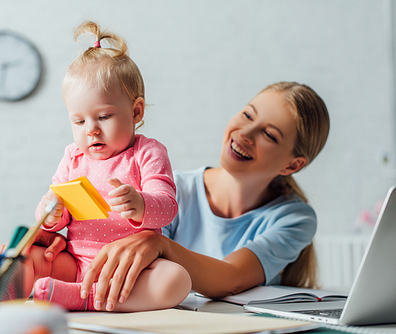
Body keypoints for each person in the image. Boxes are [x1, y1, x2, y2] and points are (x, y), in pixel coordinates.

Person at [32, 81, 330, 312]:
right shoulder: (174, 189)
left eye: (270, 135)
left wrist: (161, 245)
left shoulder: (294, 217)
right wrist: (62, 239)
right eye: (247, 115)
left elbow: (233, 279)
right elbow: (118, 248)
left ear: (292, 165)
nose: (245, 133)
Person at [22, 21, 191, 313]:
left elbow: (168, 207)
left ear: (136, 111)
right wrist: (51, 212)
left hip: (129, 272)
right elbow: (49, 219)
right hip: (73, 265)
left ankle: (86, 299)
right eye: (79, 121)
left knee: (176, 279)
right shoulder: (73, 156)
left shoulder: (147, 153)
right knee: (27, 257)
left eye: (104, 116)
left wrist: (140, 203)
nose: (91, 130)